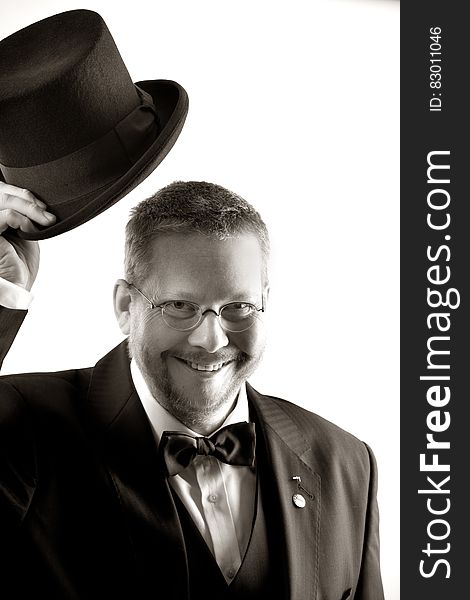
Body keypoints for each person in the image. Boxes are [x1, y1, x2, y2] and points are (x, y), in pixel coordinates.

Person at [0, 180, 384, 600]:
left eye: (238, 307)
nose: (212, 340)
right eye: (180, 306)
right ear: (127, 307)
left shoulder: (348, 465)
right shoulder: (20, 427)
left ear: (265, 302)